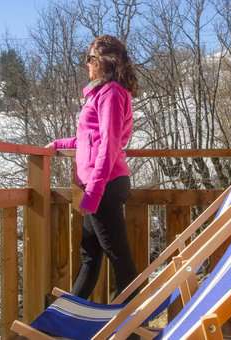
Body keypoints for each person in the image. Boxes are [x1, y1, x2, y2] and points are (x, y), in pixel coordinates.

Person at [46, 35, 138, 301]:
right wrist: (58, 143)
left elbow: (108, 144)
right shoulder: (100, 93)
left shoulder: (111, 94)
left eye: (90, 59)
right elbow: (89, 139)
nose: (86, 64)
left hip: (105, 186)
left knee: (118, 257)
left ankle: (132, 326)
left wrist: (94, 192)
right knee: (90, 255)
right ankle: (70, 318)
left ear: (103, 61)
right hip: (98, 186)